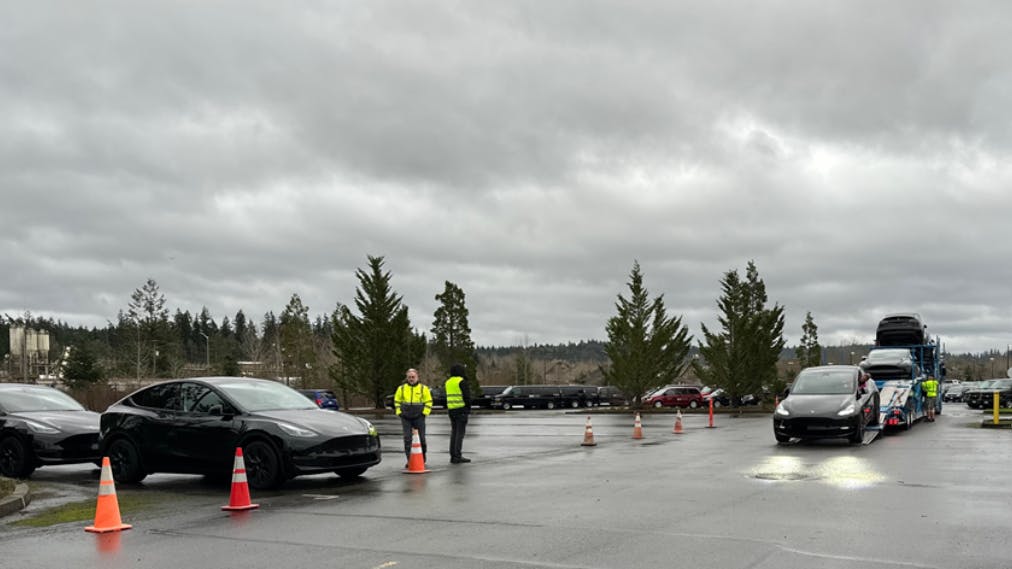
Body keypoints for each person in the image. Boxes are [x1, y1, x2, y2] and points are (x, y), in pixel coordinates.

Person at [394, 368, 432, 467]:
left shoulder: (424, 388)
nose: (411, 379)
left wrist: (424, 413)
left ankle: (422, 459)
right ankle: (410, 460)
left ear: (417, 377)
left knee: (422, 439)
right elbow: (397, 401)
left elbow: (429, 401)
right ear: (407, 378)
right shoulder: (401, 388)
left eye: (413, 377)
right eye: (409, 377)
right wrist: (399, 412)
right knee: (407, 439)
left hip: (419, 417)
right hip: (405, 417)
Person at [444, 363, 472, 464]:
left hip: (451, 410)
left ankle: (453, 455)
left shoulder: (448, 382)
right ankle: (457, 456)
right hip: (461, 409)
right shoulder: (462, 381)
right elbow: (467, 397)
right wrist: (468, 408)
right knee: (460, 434)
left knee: (454, 433)